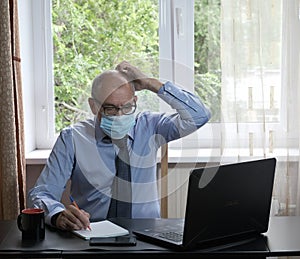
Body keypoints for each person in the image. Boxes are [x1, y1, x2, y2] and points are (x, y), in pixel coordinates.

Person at [28, 61, 211, 231]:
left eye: (127, 107)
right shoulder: (72, 138)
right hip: (92, 233)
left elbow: (199, 115)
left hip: (147, 234)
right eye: (110, 109)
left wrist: (150, 83)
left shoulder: (151, 127)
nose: (119, 115)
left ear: (135, 102)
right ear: (93, 106)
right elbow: (42, 192)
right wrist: (58, 215)